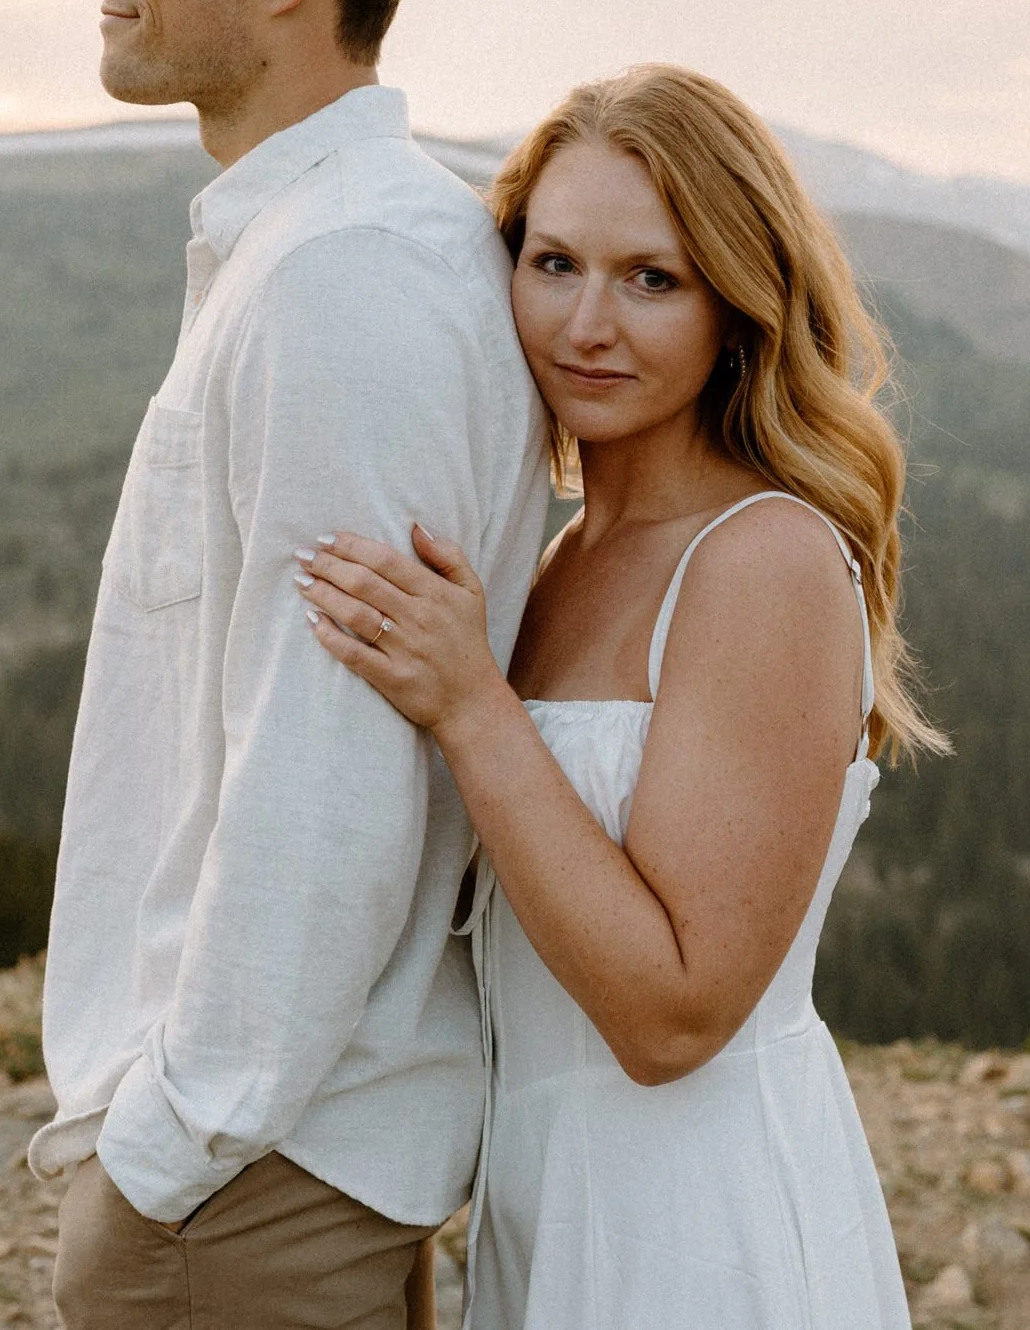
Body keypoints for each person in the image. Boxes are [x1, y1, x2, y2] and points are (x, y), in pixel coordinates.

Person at [30, 0, 551, 1330]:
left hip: (253, 1176)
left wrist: (180, 1139)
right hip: (281, 1157)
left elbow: (331, 759)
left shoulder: (348, 282)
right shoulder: (315, 249)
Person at [301, 64, 944, 1328]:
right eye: (553, 263)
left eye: (653, 277)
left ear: (738, 305)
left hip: (698, 1227)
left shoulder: (761, 559)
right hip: (541, 1204)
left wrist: (472, 704)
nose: (584, 323)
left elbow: (673, 1014)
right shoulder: (558, 559)